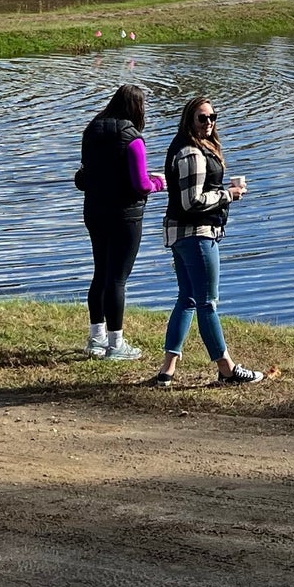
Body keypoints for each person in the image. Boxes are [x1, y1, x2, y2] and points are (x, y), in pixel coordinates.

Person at [153, 97, 265, 387]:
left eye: (213, 116)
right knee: (207, 303)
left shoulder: (190, 147)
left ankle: (167, 371)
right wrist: (229, 195)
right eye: (202, 118)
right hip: (196, 235)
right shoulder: (191, 153)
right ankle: (227, 370)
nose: (209, 122)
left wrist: (224, 192)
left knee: (187, 299)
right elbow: (192, 202)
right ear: (189, 120)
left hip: (181, 235)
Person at [76, 83, 164, 359]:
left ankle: (96, 338)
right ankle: (116, 344)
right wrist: (158, 182)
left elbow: (87, 174)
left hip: (94, 210)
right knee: (118, 279)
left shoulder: (91, 131)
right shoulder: (132, 138)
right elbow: (140, 184)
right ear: (137, 108)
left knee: (100, 272)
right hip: (124, 215)